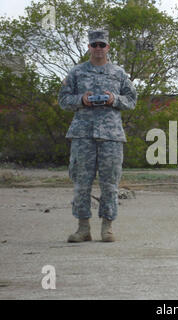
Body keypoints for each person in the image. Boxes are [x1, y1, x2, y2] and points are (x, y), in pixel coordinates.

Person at [58, 29, 137, 242]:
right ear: (89, 47)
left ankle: (107, 227)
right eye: (95, 45)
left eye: (102, 45)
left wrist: (114, 99)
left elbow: (131, 100)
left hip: (111, 136)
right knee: (81, 183)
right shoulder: (76, 72)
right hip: (83, 135)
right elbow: (63, 101)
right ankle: (83, 228)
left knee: (110, 184)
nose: (99, 49)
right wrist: (81, 100)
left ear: (108, 47)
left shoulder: (119, 73)